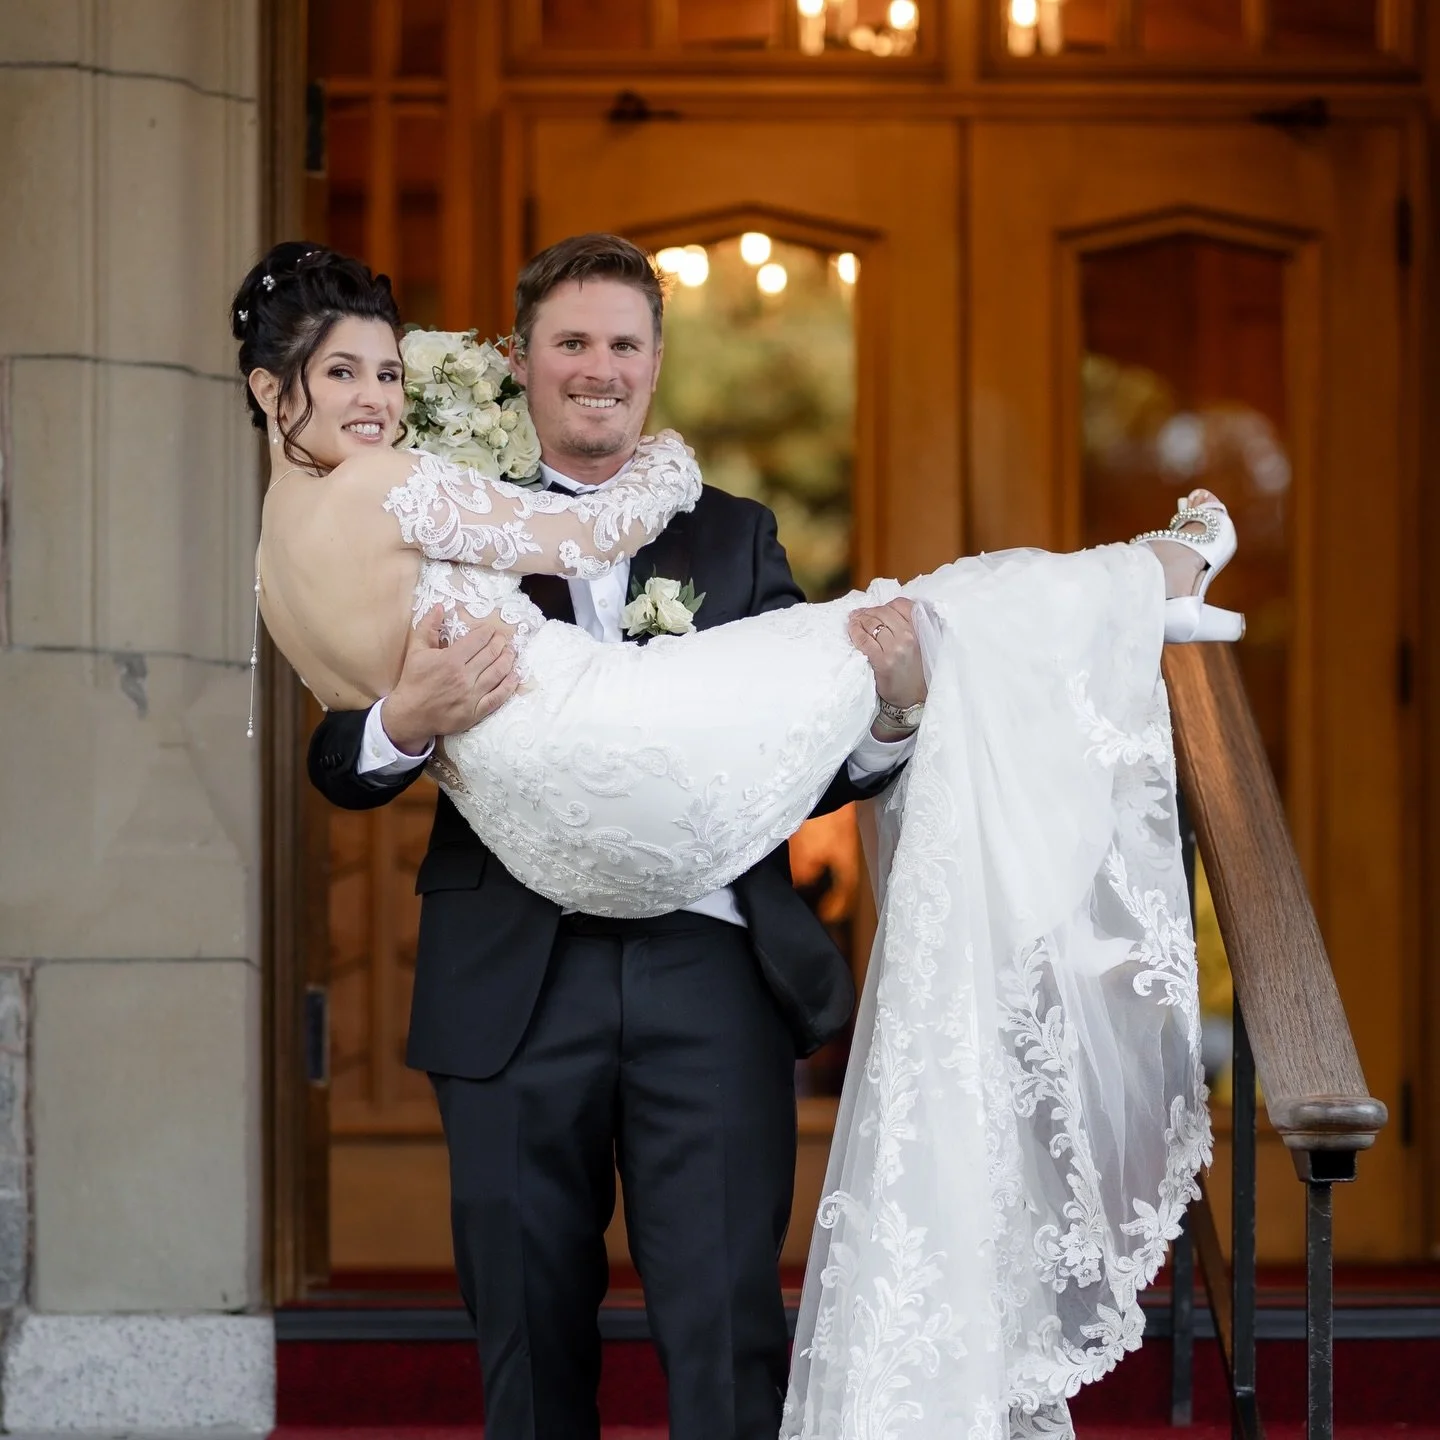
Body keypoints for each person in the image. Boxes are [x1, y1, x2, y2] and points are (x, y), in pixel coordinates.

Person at [241, 237, 1235, 1440]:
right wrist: (408, 719)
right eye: (571, 344)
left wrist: (903, 703)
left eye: (622, 345)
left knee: (724, 1346)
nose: (597, 370)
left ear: (655, 363)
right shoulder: (427, 498)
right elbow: (335, 753)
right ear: (522, 364)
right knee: (525, 1349)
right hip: (513, 979)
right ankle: (1132, 586)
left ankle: (1115, 596)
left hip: (708, 975)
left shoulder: (737, 532)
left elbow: (804, 759)